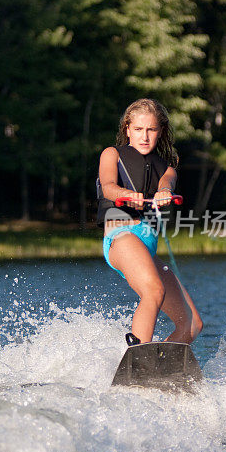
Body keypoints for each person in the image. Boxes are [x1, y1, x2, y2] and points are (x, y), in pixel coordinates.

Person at [96, 98, 203, 345]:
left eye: (151, 130)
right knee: (154, 291)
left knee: (192, 324)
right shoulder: (111, 155)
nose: (144, 136)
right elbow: (109, 186)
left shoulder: (167, 168)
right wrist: (124, 195)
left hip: (147, 247)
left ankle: (160, 368)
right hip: (121, 238)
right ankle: (138, 357)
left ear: (160, 131)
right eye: (138, 129)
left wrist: (164, 192)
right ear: (127, 129)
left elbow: (167, 184)